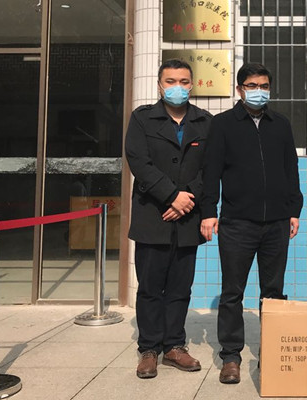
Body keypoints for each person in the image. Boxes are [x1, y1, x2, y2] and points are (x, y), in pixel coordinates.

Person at [200, 63, 303, 385]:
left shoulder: (280, 124)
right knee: (233, 292)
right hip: (237, 223)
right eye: (252, 85)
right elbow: (211, 171)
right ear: (239, 89)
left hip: (276, 223)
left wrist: (294, 209)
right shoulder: (222, 124)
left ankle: (272, 352)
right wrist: (209, 211)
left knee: (273, 292)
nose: (258, 91)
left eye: (264, 86)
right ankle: (231, 356)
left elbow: (290, 168)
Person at [125, 59, 212, 379]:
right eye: (171, 81)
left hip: (187, 217)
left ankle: (175, 345)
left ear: (192, 85)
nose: (178, 87)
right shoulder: (142, 118)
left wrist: (186, 198)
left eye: (184, 81)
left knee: (180, 286)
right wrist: (171, 195)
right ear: (160, 85)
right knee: (150, 287)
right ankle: (149, 348)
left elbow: (211, 168)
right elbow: (139, 162)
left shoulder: (205, 121)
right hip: (153, 214)